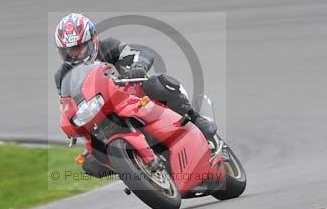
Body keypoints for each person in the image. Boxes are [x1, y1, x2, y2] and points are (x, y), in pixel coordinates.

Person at [54, 12, 217, 140]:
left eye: (79, 47)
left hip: (134, 97)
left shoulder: (109, 46)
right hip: (102, 114)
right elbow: (67, 104)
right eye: (69, 51)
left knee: (157, 83)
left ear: (94, 39)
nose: (74, 54)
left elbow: (139, 54)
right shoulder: (62, 76)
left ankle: (194, 118)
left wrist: (138, 66)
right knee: (90, 164)